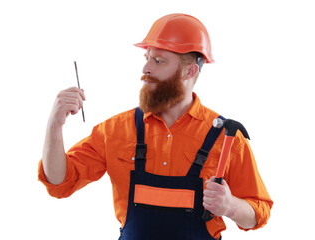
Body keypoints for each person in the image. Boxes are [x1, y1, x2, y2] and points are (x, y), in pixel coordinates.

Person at [38, 13, 273, 240]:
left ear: (189, 71)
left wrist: (231, 206)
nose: (145, 69)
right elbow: (59, 183)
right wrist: (54, 124)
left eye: (158, 61)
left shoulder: (226, 137)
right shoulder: (115, 131)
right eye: (147, 58)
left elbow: (259, 213)